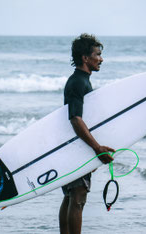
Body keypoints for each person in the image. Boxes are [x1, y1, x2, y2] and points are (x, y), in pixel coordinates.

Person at [59, 34, 115, 234]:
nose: (101, 59)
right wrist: (96, 148)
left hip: (75, 147)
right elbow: (75, 119)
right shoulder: (78, 83)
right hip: (77, 147)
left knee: (71, 196)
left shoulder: (81, 81)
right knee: (78, 197)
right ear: (85, 57)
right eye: (97, 55)